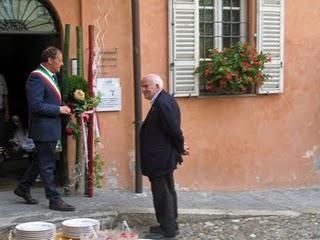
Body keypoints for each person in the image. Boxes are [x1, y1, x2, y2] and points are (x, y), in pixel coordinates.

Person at [13, 46, 75, 211]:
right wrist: (58, 110)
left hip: (50, 126)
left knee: (41, 160)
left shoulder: (51, 76)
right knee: (48, 164)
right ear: (50, 60)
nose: (62, 64)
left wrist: (64, 106)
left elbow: (50, 100)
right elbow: (36, 105)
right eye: (59, 60)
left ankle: (23, 188)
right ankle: (54, 199)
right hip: (43, 128)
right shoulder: (37, 77)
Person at [140, 74, 189, 239]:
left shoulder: (162, 103)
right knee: (167, 191)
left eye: (146, 86)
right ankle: (169, 225)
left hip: (160, 157)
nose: (143, 90)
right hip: (161, 156)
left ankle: (167, 230)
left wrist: (181, 147)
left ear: (157, 86)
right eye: (143, 86)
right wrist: (180, 147)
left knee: (162, 194)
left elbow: (174, 130)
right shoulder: (162, 101)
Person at [0, 73, 9, 150]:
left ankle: (1, 153)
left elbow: (5, 95)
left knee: (2, 133)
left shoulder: (1, 77)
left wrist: (7, 112)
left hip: (0, 110)